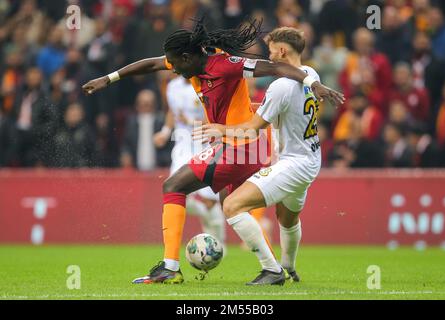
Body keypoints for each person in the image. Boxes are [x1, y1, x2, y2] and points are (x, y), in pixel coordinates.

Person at [82, 18, 344, 285]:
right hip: (239, 146)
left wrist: (313, 83)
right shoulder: (187, 61)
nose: (174, 69)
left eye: (176, 64)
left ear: (187, 56)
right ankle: (273, 268)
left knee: (174, 185)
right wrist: (109, 78)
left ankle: (170, 267)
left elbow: (275, 67)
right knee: (232, 207)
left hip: (241, 145)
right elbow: (151, 64)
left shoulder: (226, 65)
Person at [192, 27, 334, 285]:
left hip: (294, 163)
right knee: (287, 218)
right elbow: (284, 111)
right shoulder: (311, 74)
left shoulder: (280, 86)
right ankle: (289, 266)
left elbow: (249, 132)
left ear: (282, 51)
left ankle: (272, 270)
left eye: (270, 50)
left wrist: (219, 129)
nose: (268, 55)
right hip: (311, 158)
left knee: (232, 205)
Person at [153, 75, 225, 244]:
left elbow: (212, 117)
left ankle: (219, 244)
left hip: (205, 143)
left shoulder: (205, 84)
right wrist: (164, 132)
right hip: (183, 144)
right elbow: (172, 111)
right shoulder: (172, 86)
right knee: (175, 189)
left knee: (209, 201)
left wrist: (191, 122)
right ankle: (204, 215)